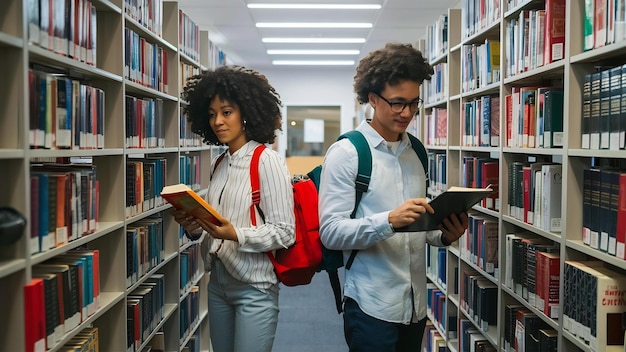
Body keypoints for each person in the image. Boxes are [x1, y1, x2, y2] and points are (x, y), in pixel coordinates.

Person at [318, 43, 469, 351]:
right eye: (398, 103)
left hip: (415, 307)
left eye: (414, 103)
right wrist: (388, 220)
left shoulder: (418, 152)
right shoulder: (347, 154)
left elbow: (417, 229)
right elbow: (330, 232)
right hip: (372, 306)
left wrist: (443, 235)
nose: (408, 113)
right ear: (372, 99)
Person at [174, 65, 295, 352]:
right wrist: (193, 227)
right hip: (217, 283)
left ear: (246, 114)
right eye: (213, 114)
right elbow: (215, 225)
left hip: (254, 287)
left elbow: (284, 232)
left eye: (226, 112)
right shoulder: (220, 163)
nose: (218, 121)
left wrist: (236, 234)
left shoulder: (267, 161)